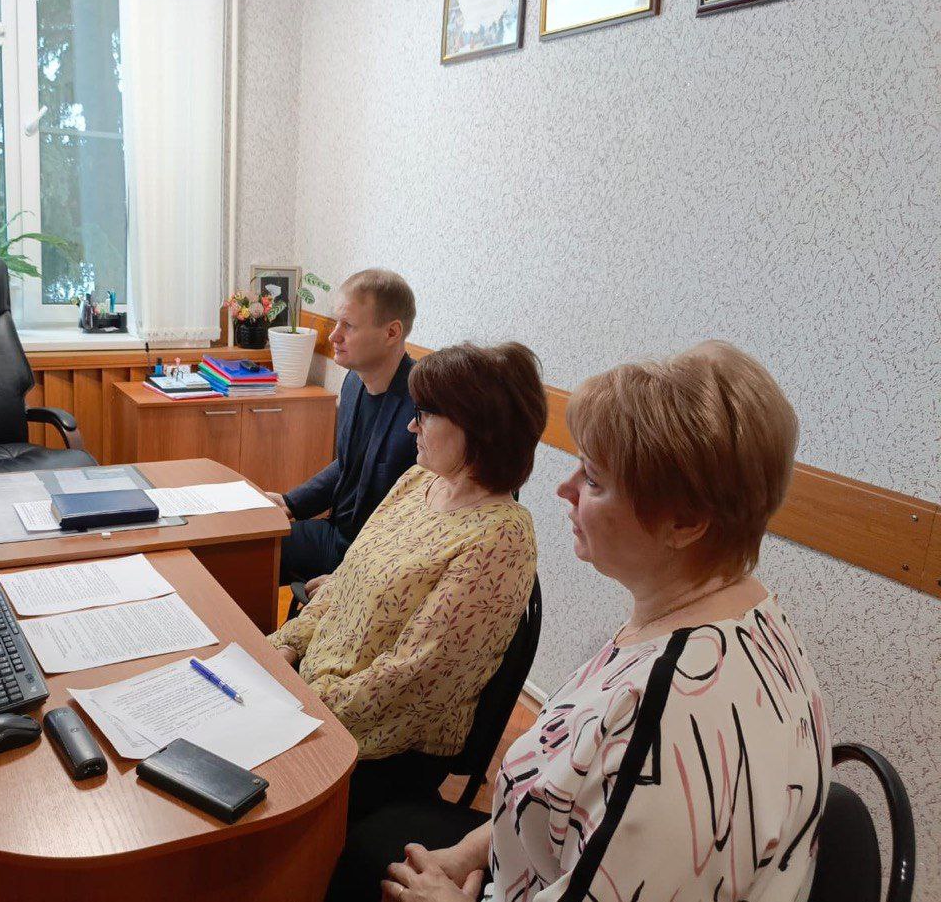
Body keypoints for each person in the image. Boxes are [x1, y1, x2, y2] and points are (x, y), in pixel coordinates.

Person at [370, 342, 830, 902]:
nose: (564, 489)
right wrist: (470, 850)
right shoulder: (738, 612)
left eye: (592, 479)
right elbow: (567, 783)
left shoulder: (671, 720)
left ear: (685, 521)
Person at [268, 342, 547, 823]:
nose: (411, 426)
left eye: (425, 415)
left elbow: (413, 680)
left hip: (383, 745)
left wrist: (304, 704)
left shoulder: (501, 538)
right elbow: (346, 582)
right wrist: (284, 647)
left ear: (478, 429)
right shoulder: (418, 482)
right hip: (316, 695)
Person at [266, 269, 420, 595]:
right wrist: (290, 502)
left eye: (347, 326)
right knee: (249, 548)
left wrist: (354, 578)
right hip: (337, 536)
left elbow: (421, 519)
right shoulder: (353, 382)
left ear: (392, 332)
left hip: (378, 561)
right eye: (337, 323)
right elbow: (349, 465)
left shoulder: (423, 407)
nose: (334, 336)